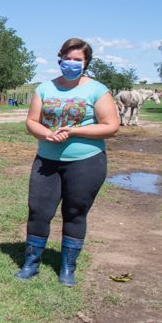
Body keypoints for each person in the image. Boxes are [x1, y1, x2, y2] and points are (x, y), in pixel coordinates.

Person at [15, 38, 119, 287]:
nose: (71, 63)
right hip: (46, 161)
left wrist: (74, 132)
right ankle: (31, 263)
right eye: (68, 58)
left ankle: (67, 268)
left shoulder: (97, 90)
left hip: (86, 162)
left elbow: (111, 126)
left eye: (78, 60)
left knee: (75, 212)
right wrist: (46, 134)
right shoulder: (45, 88)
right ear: (60, 58)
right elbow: (32, 121)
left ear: (85, 63)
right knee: (39, 211)